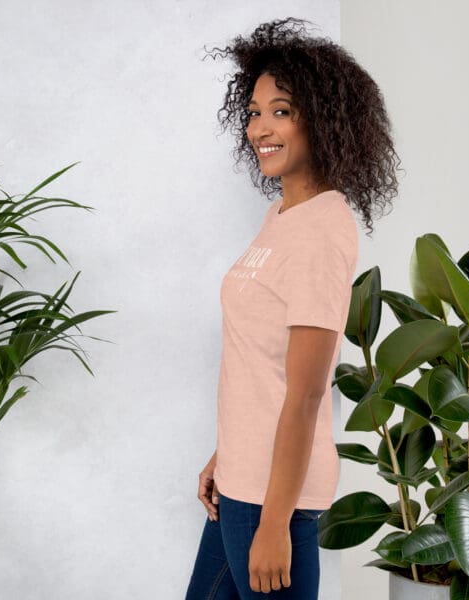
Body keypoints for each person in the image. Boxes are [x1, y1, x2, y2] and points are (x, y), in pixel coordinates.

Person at [185, 17, 400, 599]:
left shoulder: (324, 228)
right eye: (254, 112)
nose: (261, 128)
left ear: (324, 120)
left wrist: (276, 523)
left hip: (274, 500)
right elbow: (263, 365)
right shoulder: (282, 216)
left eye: (281, 111)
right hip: (241, 484)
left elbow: (306, 393)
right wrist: (225, 456)